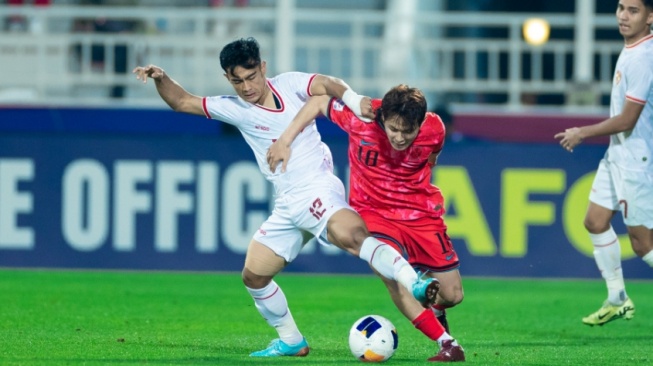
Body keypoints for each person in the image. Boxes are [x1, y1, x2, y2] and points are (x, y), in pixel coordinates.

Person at [132, 37, 439, 357]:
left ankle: (413, 280)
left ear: (263, 68)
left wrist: (353, 98)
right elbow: (183, 102)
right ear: (227, 79)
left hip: (318, 188)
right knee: (254, 275)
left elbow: (328, 83)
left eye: (251, 77)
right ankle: (292, 341)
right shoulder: (234, 107)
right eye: (237, 81)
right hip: (288, 203)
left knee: (354, 237)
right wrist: (161, 78)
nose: (247, 87)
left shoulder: (290, 84)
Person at [267, 85, 466, 362]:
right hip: (373, 212)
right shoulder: (362, 116)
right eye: (392, 129)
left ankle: (433, 307)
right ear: (383, 117)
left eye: (406, 132)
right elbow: (319, 100)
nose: (398, 137)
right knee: (392, 276)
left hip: (419, 213)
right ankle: (448, 343)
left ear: (420, 124)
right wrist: (285, 140)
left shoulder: (435, 129)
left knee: (453, 294)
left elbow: (433, 152)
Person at [554, 0, 652, 326]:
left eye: (633, 10)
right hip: (618, 155)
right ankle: (617, 298)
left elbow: (627, 119)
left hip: (637, 160)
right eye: (621, 7)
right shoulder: (632, 48)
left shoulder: (645, 57)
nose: (624, 15)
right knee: (595, 221)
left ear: (650, 17)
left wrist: (583, 132)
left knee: (642, 245)